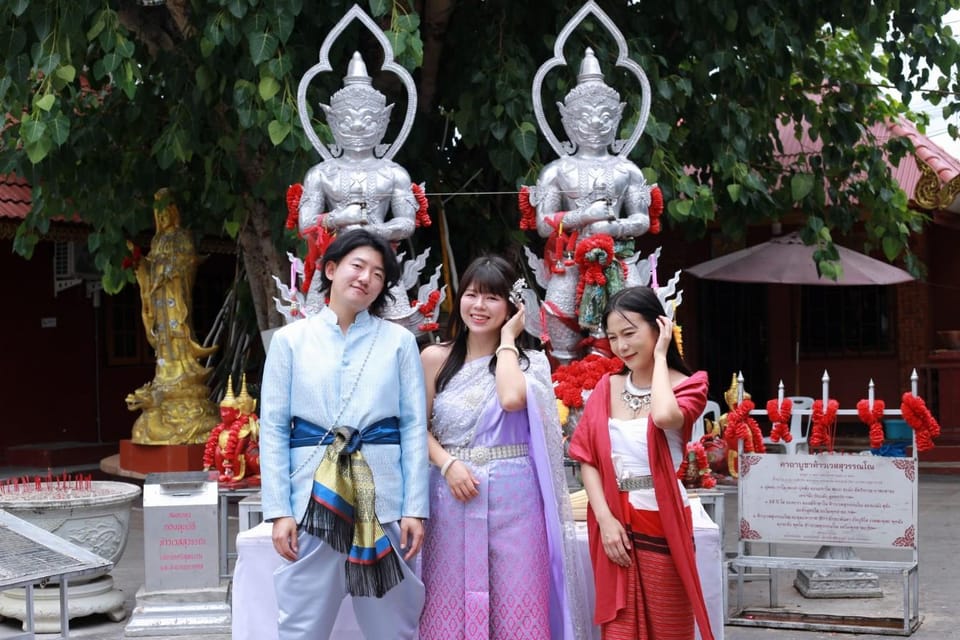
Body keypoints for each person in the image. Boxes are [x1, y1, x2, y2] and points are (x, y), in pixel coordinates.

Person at [259, 228, 429, 640]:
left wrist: (415, 508)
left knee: (393, 625)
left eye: (377, 273)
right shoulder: (290, 341)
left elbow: (414, 428)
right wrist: (280, 510)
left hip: (383, 500)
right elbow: (274, 428)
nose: (366, 278)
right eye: (358, 266)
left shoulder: (400, 342)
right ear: (331, 269)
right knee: (302, 624)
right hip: (311, 501)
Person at [418, 256, 590, 640]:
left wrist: (509, 341)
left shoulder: (531, 364)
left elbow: (511, 398)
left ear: (512, 307)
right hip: (451, 495)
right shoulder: (434, 358)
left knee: (517, 599)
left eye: (492, 298)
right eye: (472, 294)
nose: (478, 306)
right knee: (450, 594)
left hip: (516, 501)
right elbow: (416, 426)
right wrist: (447, 464)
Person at [568, 286, 714, 640]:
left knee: (668, 625)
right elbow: (587, 457)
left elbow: (664, 417)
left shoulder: (691, 385)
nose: (621, 346)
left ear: (659, 327)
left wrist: (662, 358)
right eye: (614, 337)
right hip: (615, 518)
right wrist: (604, 520)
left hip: (662, 522)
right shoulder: (608, 385)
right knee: (619, 629)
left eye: (630, 333)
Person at [523, 48, 657, 363]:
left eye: (605, 116)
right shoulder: (556, 171)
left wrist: (614, 226)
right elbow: (543, 225)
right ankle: (565, 399)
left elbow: (642, 219)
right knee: (560, 330)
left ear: (618, 116)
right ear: (566, 119)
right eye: (584, 117)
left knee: (635, 324)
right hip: (571, 261)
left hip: (617, 262)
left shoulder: (627, 170)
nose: (595, 123)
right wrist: (584, 216)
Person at [126, 188, 218, 444]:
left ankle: (183, 371)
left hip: (175, 297)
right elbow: (150, 266)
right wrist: (140, 263)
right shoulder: (157, 242)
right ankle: (167, 377)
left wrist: (170, 271)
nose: (163, 218)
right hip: (160, 301)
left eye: (167, 212)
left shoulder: (182, 237)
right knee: (164, 341)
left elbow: (188, 262)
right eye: (159, 214)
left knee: (179, 333)